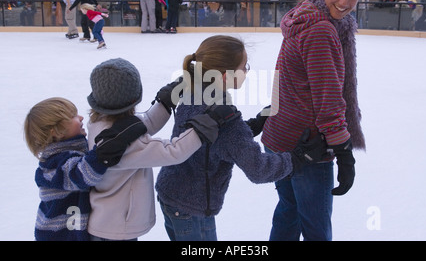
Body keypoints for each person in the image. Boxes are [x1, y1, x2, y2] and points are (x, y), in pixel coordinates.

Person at [155, 35, 331, 241]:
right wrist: (300, 157)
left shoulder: (192, 90)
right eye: (244, 66)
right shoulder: (224, 118)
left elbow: (214, 142)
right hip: (192, 209)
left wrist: (256, 123)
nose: (247, 71)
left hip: (171, 194)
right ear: (224, 76)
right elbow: (259, 169)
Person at [261, 0, 368, 241]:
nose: (344, 3)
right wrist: (345, 154)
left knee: (289, 209)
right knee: (316, 228)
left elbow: (287, 78)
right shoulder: (320, 30)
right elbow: (328, 101)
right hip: (308, 148)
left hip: (281, 138)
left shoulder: (304, 16)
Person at [85, 58, 238, 241]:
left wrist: (166, 102)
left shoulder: (102, 124)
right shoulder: (120, 146)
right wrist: (204, 127)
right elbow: (174, 151)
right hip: (115, 229)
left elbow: (146, 123)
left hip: (112, 223)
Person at [24, 97, 147, 241]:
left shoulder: (73, 151)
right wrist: (105, 149)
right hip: (59, 235)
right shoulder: (52, 167)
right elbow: (82, 175)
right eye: (73, 116)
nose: (81, 117)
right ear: (56, 131)